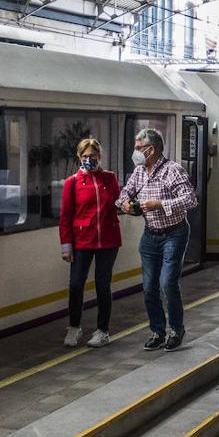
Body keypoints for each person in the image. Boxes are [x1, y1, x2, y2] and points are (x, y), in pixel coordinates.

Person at [116, 128, 198, 352]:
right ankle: (157, 331)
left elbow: (190, 199)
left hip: (175, 232)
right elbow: (124, 193)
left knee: (167, 282)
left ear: (151, 150)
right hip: (150, 234)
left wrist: (160, 204)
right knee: (149, 287)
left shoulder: (173, 171)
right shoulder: (139, 172)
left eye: (138, 148)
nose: (135, 151)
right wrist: (124, 204)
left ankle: (177, 329)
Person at [58, 138, 122, 348]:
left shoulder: (110, 179)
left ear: (99, 157)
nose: (88, 160)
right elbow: (65, 216)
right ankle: (74, 328)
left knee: (103, 285)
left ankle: (102, 331)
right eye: (85, 156)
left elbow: (119, 202)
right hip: (82, 241)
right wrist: (66, 245)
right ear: (79, 157)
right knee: (76, 284)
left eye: (92, 156)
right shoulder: (72, 182)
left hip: (108, 241)